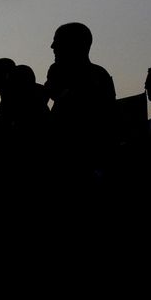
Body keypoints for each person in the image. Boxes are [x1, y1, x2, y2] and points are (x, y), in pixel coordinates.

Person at [44, 22, 116, 186]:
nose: (52, 46)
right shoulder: (62, 76)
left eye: (58, 41)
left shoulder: (96, 77)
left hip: (84, 168)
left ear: (76, 44)